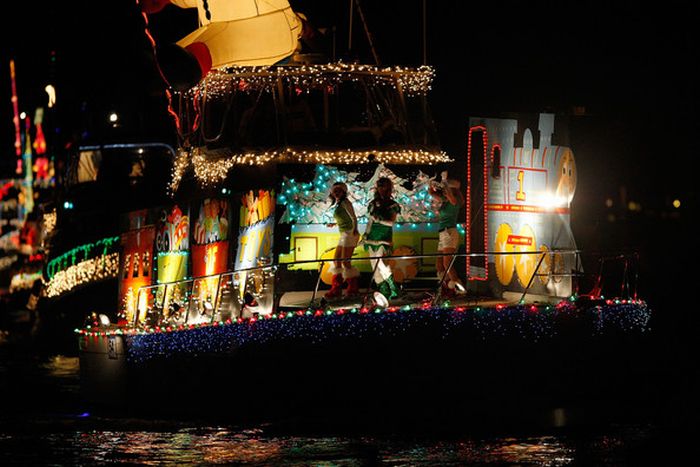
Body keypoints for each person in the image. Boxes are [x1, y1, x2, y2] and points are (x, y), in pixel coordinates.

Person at [363, 177, 400, 300]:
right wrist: (365, 235)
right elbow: (369, 222)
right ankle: (383, 291)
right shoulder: (373, 204)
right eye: (379, 186)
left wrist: (379, 220)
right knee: (374, 266)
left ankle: (393, 288)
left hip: (384, 236)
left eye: (384, 186)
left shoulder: (392, 205)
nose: (381, 188)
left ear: (388, 188)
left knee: (382, 264)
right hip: (372, 237)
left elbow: (391, 222)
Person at [429, 171, 466, 296]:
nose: (444, 192)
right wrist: (431, 182)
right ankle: (445, 287)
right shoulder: (445, 201)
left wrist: (444, 182)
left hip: (449, 232)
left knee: (447, 263)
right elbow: (432, 193)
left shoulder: (454, 202)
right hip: (443, 233)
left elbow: (450, 196)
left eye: (447, 190)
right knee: (439, 264)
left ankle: (459, 288)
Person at [325, 182, 360, 298]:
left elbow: (353, 217)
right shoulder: (339, 204)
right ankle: (336, 288)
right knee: (336, 260)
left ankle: (352, 289)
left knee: (345, 261)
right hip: (344, 234)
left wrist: (355, 230)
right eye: (335, 191)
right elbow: (344, 218)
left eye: (339, 191)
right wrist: (334, 224)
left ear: (343, 192)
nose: (336, 193)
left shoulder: (345, 202)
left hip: (349, 233)